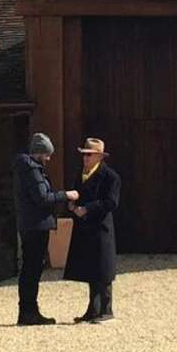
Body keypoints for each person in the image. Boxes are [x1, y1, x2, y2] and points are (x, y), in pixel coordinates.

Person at [12, 132, 78, 326]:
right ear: (39, 153)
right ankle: (29, 313)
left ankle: (29, 311)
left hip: (29, 224)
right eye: (47, 155)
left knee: (31, 268)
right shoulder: (32, 170)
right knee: (32, 268)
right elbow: (42, 198)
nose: (49, 159)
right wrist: (65, 195)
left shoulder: (25, 168)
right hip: (35, 225)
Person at [63, 137, 121, 324]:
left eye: (89, 155)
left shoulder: (110, 176)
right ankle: (93, 309)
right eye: (84, 155)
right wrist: (73, 207)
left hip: (101, 227)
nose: (85, 158)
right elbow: (77, 194)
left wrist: (88, 208)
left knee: (103, 270)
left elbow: (111, 202)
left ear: (99, 157)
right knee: (90, 269)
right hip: (85, 228)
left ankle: (106, 309)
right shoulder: (81, 174)